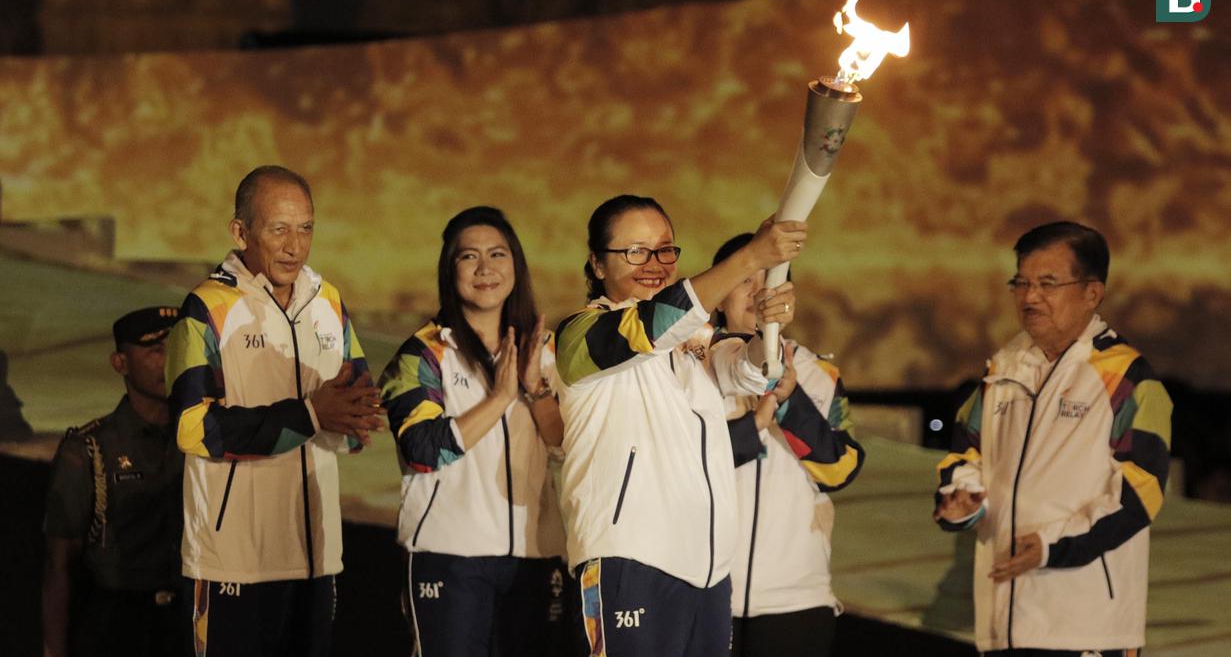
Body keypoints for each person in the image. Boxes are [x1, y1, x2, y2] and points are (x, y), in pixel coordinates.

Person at [555, 194, 805, 656]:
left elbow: (752, 371)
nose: (655, 264)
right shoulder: (580, 337)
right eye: (635, 251)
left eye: (665, 249)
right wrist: (751, 256)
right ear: (596, 263)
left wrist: (768, 326)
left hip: (707, 573)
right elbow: (650, 325)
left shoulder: (695, 341)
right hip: (627, 562)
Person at [165, 165, 384, 657]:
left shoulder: (327, 301)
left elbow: (357, 390)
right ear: (240, 232)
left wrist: (357, 419)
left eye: (306, 227)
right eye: (278, 228)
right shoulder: (206, 308)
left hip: (317, 558)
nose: (295, 245)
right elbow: (191, 426)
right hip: (231, 563)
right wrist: (309, 415)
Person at [933, 221, 1172, 656]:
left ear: (1092, 293)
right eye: (1021, 283)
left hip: (1087, 624)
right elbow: (965, 451)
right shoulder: (1003, 368)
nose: (1030, 297)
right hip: (1002, 621)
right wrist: (961, 496)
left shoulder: (1127, 377)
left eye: (1048, 283)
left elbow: (1144, 489)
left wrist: (1052, 546)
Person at [378, 206, 570, 656]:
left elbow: (562, 443)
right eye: (469, 257)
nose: (486, 268)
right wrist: (499, 400)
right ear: (450, 269)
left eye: (498, 254)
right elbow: (422, 449)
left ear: (516, 267)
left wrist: (535, 391)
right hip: (450, 558)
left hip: (534, 557)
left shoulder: (543, 351)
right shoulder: (423, 354)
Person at [709, 234, 864, 657]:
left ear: (787, 298)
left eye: (770, 282)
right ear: (719, 294)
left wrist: (790, 401)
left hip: (795, 601)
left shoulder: (817, 374)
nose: (759, 294)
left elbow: (840, 469)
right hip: (705, 592)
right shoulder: (689, 367)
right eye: (745, 281)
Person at [42, 306, 187, 657]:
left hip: (190, 623)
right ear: (120, 363)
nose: (169, 361)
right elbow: (59, 565)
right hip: (118, 625)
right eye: (155, 350)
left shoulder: (207, 437)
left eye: (176, 348)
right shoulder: (90, 448)